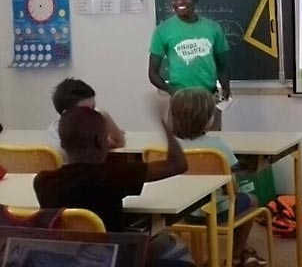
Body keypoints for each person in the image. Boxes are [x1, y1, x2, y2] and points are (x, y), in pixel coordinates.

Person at [33, 106, 193, 265]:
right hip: (115, 260)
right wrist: (165, 125)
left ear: (61, 143)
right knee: (171, 244)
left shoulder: (43, 182)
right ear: (100, 141)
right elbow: (177, 164)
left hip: (66, 261)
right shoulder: (112, 174)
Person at [169, 87, 266, 267]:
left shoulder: (169, 148)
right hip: (217, 211)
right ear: (207, 120)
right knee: (251, 200)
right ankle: (236, 255)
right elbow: (232, 189)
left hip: (180, 211)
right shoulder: (216, 148)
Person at [148, 0, 231, 130]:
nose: (180, 2)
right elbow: (152, 72)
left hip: (208, 99)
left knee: (211, 147)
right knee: (180, 149)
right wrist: (172, 91)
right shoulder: (163, 30)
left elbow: (222, 65)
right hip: (180, 101)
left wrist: (225, 89)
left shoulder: (213, 28)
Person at [48, 78, 126, 160]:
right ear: (67, 114)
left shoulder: (84, 125)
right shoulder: (58, 140)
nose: (93, 113)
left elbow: (117, 142)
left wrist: (104, 115)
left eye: (94, 107)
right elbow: (118, 142)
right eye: (87, 110)